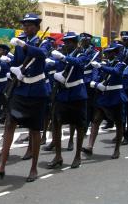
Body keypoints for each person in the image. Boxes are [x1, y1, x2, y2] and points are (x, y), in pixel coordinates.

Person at [0, 13, 48, 182]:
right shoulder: (20, 43)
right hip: (20, 90)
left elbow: (41, 55)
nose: (26, 27)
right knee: (9, 124)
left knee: (35, 130)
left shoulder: (43, 42)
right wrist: (13, 68)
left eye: (30, 25)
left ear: (37, 27)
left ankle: (34, 168)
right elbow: (16, 63)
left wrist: (23, 44)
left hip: (36, 90)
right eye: (24, 25)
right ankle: (1, 165)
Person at [47, 31, 87, 169]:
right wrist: (49, 63)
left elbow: (80, 63)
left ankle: (77, 156)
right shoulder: (64, 56)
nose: (67, 44)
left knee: (79, 125)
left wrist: (64, 58)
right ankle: (58, 156)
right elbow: (56, 69)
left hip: (77, 94)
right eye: (66, 42)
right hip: (63, 94)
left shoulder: (81, 54)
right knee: (57, 124)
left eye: (70, 42)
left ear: (76, 43)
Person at [82, 42, 127, 159]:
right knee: (96, 120)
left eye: (110, 52)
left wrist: (101, 67)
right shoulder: (105, 64)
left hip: (116, 96)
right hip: (104, 96)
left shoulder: (120, 64)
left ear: (115, 53)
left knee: (118, 123)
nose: (107, 54)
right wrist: (96, 83)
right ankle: (90, 146)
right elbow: (98, 77)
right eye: (107, 52)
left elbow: (116, 72)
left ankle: (117, 149)